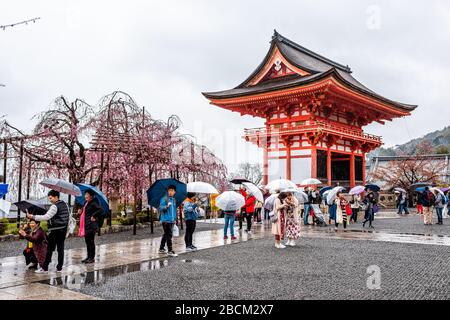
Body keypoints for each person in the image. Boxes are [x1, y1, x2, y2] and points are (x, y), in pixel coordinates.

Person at [27, 190, 70, 273]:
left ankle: (45, 268)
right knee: (60, 249)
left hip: (54, 230)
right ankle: (59, 268)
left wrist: (33, 216)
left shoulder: (54, 206)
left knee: (49, 249)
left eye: (51, 198)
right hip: (63, 229)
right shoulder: (65, 205)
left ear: (56, 197)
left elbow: (46, 217)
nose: (50, 200)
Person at [77, 189, 104, 264]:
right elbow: (85, 212)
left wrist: (94, 215)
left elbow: (100, 210)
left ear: (91, 196)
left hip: (91, 225)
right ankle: (88, 257)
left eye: (87, 194)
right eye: (85, 194)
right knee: (87, 242)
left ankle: (92, 258)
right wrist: (80, 211)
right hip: (86, 225)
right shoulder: (86, 203)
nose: (85, 196)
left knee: (91, 242)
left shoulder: (93, 203)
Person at [158, 185, 178, 257]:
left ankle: (161, 248)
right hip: (166, 220)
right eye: (169, 190)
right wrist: (167, 206)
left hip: (172, 220)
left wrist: (175, 219)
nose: (170, 192)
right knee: (169, 235)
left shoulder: (174, 200)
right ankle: (170, 250)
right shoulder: (164, 199)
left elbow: (174, 211)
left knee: (166, 234)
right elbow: (160, 208)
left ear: (174, 192)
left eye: (172, 190)